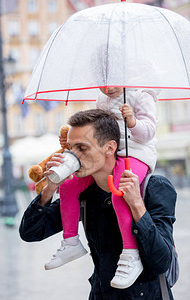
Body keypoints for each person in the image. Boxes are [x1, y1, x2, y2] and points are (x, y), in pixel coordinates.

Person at [19, 109, 176, 299]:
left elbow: (161, 261)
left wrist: (136, 204)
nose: (74, 155)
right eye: (70, 147)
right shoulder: (83, 193)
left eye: (82, 148)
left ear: (110, 148)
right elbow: (31, 232)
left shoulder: (153, 188)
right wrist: (50, 188)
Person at [44, 87, 158, 289]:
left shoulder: (142, 95)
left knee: (118, 192)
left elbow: (148, 132)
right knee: (69, 186)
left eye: (111, 79)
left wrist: (132, 122)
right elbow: (101, 129)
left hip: (137, 152)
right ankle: (70, 242)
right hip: (114, 152)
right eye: (102, 81)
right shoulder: (102, 98)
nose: (107, 88)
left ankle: (131, 253)